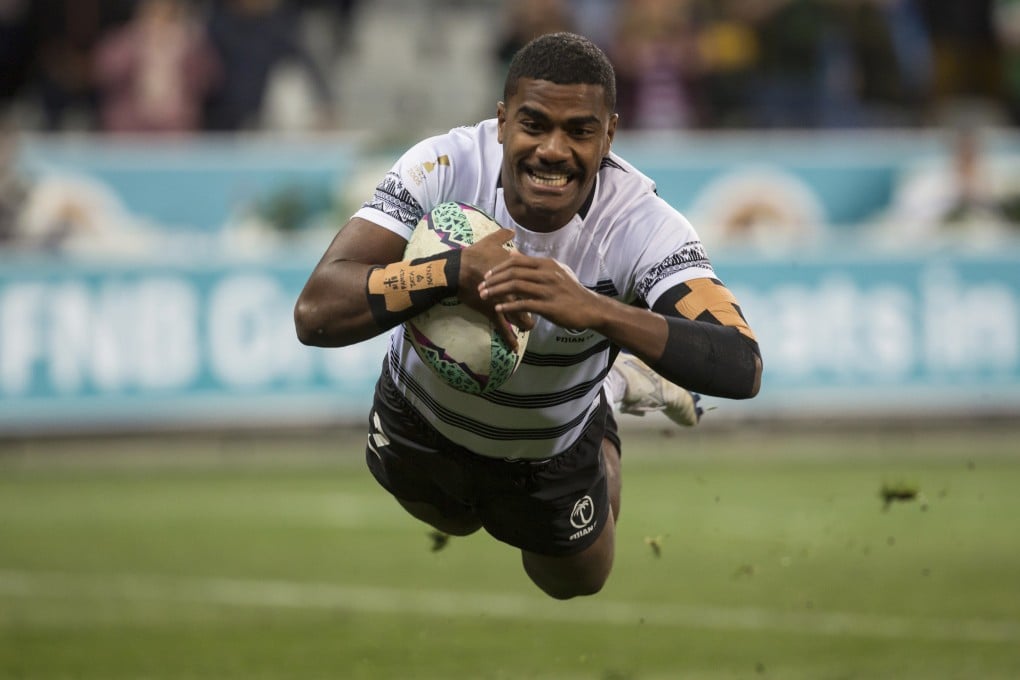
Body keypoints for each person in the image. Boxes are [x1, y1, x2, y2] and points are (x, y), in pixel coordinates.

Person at [294, 32, 762, 600]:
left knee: (574, 581)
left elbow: (743, 363)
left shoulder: (642, 223)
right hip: (420, 420)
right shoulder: (444, 166)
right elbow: (315, 312)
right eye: (534, 125)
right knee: (453, 519)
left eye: (580, 131)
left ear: (609, 134)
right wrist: (451, 270)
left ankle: (611, 389)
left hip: (550, 453)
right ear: (502, 122)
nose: (553, 150)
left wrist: (594, 309)